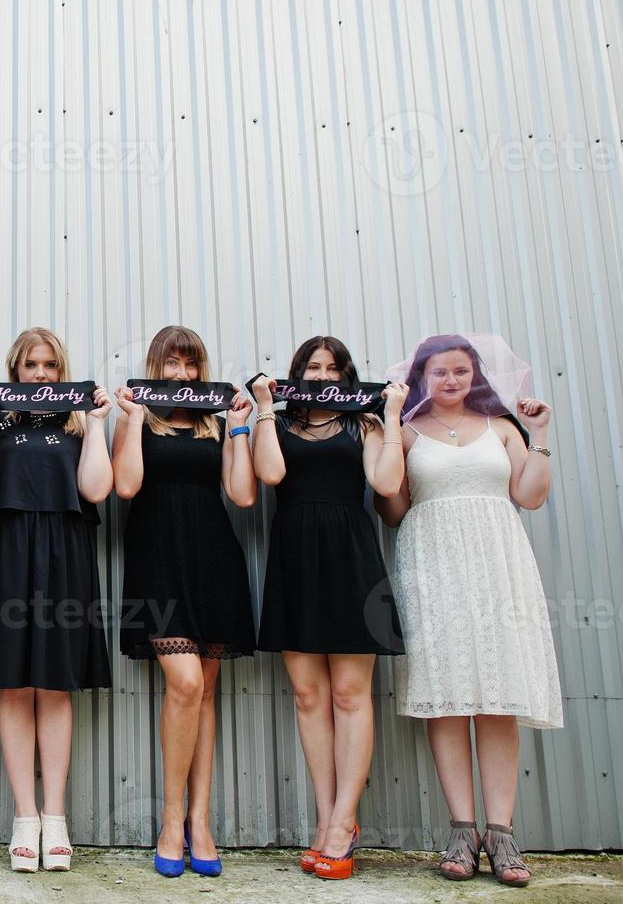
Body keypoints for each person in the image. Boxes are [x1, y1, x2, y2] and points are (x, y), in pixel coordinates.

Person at [376, 334, 561, 889]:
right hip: (431, 566)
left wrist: (542, 433)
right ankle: (462, 831)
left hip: (499, 566)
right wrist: (387, 433)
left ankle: (501, 833)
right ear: (421, 378)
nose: (451, 380)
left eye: (461, 371)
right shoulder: (407, 431)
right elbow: (393, 508)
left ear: (474, 376)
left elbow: (530, 496)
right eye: (439, 372)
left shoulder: (502, 428)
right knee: (448, 697)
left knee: (498, 697)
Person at [0, 327, 113, 872]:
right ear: (14, 370)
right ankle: (25, 817)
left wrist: (97, 427)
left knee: (55, 683)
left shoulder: (77, 420)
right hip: (4, 550)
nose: (39, 375)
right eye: (29, 366)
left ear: (60, 372)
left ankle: (56, 818)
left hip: (64, 551)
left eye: (49, 366)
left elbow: (95, 491)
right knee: (13, 682)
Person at [249, 335, 408, 880]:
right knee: (309, 695)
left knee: (349, 693)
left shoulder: (363, 423)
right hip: (295, 554)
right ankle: (325, 819)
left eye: (332, 367)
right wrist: (266, 408)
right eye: (311, 367)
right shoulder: (282, 422)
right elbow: (270, 475)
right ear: (297, 373)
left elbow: (385, 483)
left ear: (346, 375)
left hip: (350, 555)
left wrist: (389, 418)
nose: (322, 375)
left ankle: (345, 822)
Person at [111, 325, 255, 878]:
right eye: (172, 364)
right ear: (156, 367)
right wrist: (127, 418)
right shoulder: (138, 419)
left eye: (190, 365)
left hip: (213, 556)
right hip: (157, 558)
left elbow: (242, 495)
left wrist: (240, 427)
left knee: (207, 692)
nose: (182, 374)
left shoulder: (217, 423)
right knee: (186, 683)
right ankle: (172, 820)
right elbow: (125, 487)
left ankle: (201, 821)